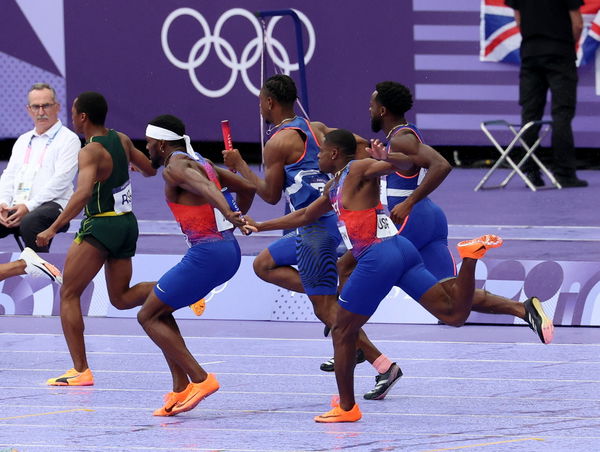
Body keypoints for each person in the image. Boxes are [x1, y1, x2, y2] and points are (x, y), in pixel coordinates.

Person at [242, 129, 503, 423]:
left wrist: (387, 157)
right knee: (454, 315)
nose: (317, 157)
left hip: (377, 256)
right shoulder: (334, 185)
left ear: (335, 154)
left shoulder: (358, 167)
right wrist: (259, 226)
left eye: (321, 152)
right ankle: (469, 259)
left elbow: (405, 165)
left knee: (342, 330)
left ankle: (346, 408)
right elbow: (303, 217)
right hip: (400, 248)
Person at [323, 82, 554, 397]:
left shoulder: (402, 137)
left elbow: (441, 165)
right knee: (451, 297)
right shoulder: (398, 137)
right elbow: (367, 148)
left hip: (409, 221)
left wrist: (410, 201)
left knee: (345, 265)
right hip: (430, 220)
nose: (368, 109)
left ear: (382, 109)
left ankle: (352, 340)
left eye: (371, 104)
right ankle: (522, 308)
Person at [222, 74, 393, 395]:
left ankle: (384, 365)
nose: (260, 105)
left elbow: (270, 196)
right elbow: (359, 146)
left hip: (315, 229)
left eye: (260, 100)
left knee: (325, 309)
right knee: (263, 265)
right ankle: (326, 295)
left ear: (270, 102)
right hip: (327, 220)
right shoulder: (318, 128)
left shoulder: (278, 143)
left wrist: (240, 165)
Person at [36, 91, 157, 386]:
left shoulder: (89, 150)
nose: (72, 117)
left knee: (69, 294)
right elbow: (151, 169)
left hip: (101, 226)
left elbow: (83, 194)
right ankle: (182, 288)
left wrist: (53, 227)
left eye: (74, 112)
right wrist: (127, 165)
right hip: (127, 225)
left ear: (83, 117)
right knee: (121, 297)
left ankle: (80, 370)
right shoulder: (122, 139)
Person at [137, 114, 254, 416]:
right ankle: (180, 386)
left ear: (161, 143)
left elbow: (204, 188)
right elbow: (248, 188)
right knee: (160, 310)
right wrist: (236, 212)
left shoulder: (175, 167)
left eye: (149, 143)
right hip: (228, 250)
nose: (147, 147)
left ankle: (200, 379)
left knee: (147, 316)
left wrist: (229, 213)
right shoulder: (200, 160)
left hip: (208, 253)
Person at [506, 0, 586, 188]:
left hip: (531, 53)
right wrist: (564, 44)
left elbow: (518, 19)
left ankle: (531, 174)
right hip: (560, 52)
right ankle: (565, 174)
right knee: (562, 114)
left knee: (530, 115)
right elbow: (578, 23)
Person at [0, 83, 80, 252]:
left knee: (31, 221)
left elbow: (61, 181)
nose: (41, 112)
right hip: (19, 205)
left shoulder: (69, 139)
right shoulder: (23, 140)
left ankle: (41, 271)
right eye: (36, 106)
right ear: (29, 109)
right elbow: (9, 175)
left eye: (46, 106)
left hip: (55, 205)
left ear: (57, 107)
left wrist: (28, 207)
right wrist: (3, 203)